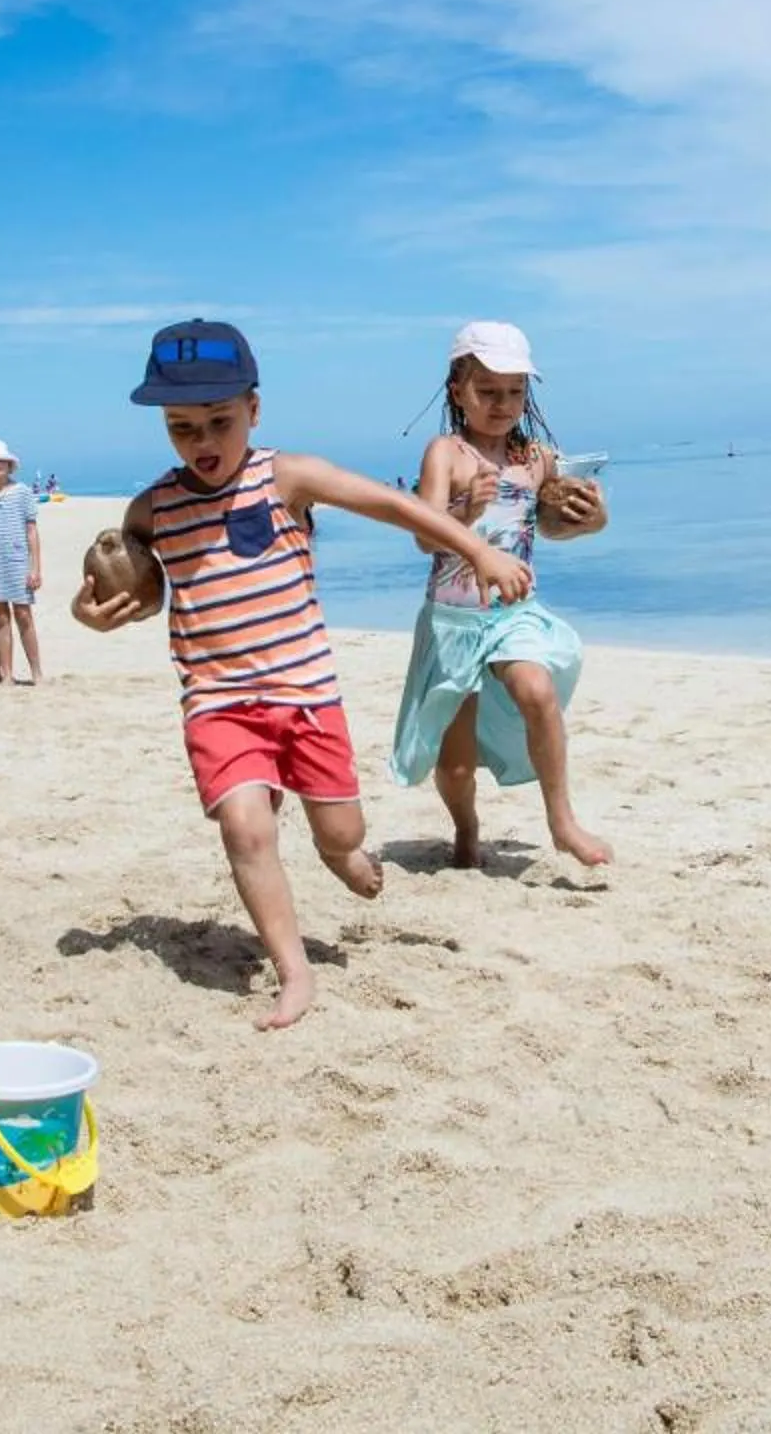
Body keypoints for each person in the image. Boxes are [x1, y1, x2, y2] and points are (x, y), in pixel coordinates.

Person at [74, 318, 533, 1030]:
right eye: (181, 428)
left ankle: (340, 854)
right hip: (218, 701)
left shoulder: (288, 477)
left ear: (253, 410)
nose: (202, 442)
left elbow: (393, 505)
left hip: (307, 696)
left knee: (342, 833)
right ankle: (293, 972)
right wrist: (96, 611)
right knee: (246, 829)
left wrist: (477, 550)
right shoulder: (153, 509)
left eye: (219, 422)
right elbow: (140, 581)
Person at [392, 321, 613, 868]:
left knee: (536, 690)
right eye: (487, 390)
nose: (502, 404)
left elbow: (550, 526)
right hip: (454, 622)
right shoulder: (446, 454)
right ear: (457, 391)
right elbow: (425, 536)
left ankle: (562, 820)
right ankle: (466, 827)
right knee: (456, 765)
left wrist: (592, 521)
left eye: (515, 391)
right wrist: (464, 510)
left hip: (513, 615)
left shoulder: (535, 459)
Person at [0, 438, 45, 686]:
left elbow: (32, 531)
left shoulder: (23, 492)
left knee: (24, 615)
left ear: (9, 464)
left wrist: (35, 568)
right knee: (0, 618)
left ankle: (36, 672)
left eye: (1, 460)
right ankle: (6, 675)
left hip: (18, 561)